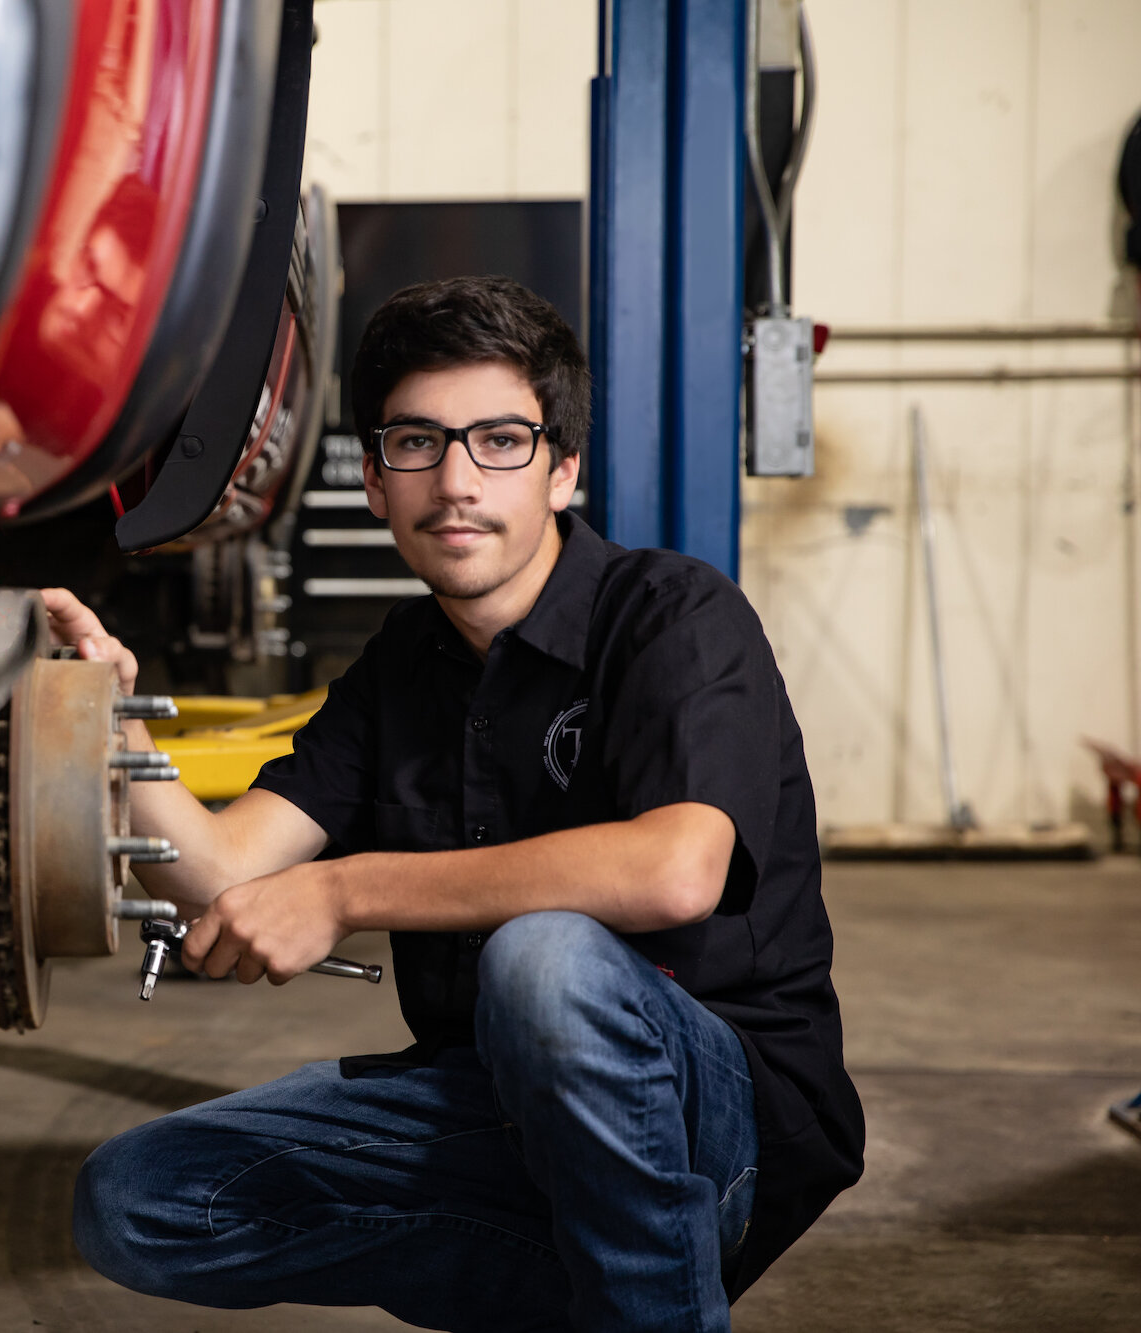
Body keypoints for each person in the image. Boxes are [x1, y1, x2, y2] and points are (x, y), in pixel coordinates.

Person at [46, 275, 864, 1333]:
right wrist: (112, 726)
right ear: (376, 482)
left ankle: (646, 1291)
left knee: (544, 960)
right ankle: (608, 1282)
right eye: (415, 444)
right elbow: (218, 870)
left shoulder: (670, 614)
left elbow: (673, 868)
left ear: (560, 469)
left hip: (718, 1119)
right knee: (140, 1198)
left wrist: (342, 891)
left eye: (499, 442)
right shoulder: (403, 664)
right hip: (498, 1110)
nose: (454, 481)